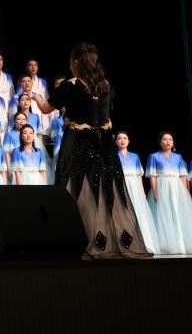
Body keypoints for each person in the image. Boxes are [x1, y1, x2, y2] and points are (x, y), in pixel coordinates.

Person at [33, 43, 151, 257]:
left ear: (76, 63)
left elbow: (45, 109)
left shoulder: (70, 85)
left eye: (71, 61)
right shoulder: (105, 85)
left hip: (79, 141)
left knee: (77, 188)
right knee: (105, 188)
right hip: (104, 142)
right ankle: (106, 242)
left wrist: (36, 97)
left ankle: (76, 241)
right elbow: (105, 117)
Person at [145, 132, 192, 255]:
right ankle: (165, 244)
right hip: (162, 186)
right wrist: (155, 192)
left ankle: (181, 243)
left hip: (176, 186)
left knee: (178, 213)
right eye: (165, 139)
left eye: (170, 139)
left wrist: (185, 192)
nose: (168, 141)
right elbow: (152, 176)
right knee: (164, 215)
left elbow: (183, 176)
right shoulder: (154, 157)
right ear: (160, 142)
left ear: (173, 142)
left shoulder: (178, 157)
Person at [115, 131, 159, 253]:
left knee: (139, 212)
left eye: (125, 138)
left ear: (128, 141)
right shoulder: (114, 156)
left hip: (134, 186)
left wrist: (142, 191)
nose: (122, 140)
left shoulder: (135, 156)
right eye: (119, 138)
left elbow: (139, 175)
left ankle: (144, 242)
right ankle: (127, 244)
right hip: (122, 184)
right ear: (116, 141)